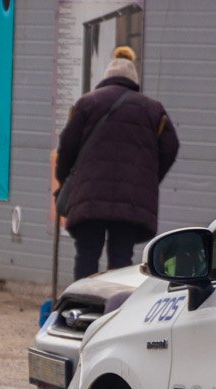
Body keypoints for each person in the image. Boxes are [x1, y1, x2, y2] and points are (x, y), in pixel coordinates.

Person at [55, 46, 179, 281]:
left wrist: (64, 180)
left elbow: (67, 145)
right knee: (121, 258)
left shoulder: (87, 103)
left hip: (89, 194)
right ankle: (113, 311)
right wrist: (149, 178)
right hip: (132, 198)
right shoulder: (152, 109)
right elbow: (170, 147)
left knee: (87, 254)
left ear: (107, 76)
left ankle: (82, 309)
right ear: (133, 79)